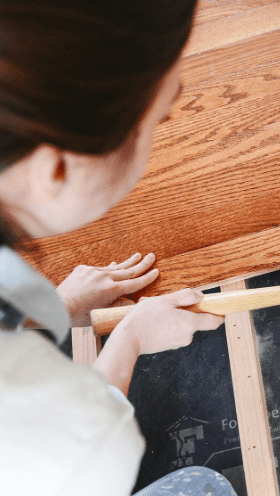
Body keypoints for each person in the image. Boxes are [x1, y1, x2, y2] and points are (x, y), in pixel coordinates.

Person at [0, 1, 237, 494]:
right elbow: (79, 442)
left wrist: (59, 305)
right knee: (205, 486)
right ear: (59, 169)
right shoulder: (52, 446)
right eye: (160, 118)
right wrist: (130, 338)